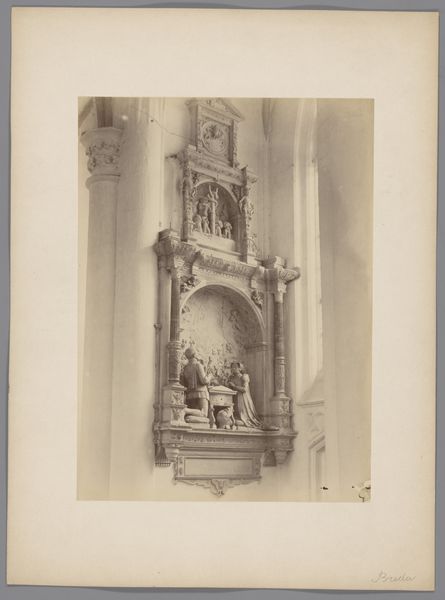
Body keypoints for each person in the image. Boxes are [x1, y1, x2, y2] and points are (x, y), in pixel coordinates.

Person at [228, 362, 263, 429]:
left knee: (243, 415)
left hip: (242, 398)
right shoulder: (231, 378)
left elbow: (244, 389)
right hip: (234, 398)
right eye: (232, 367)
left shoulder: (244, 377)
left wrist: (234, 386)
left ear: (240, 368)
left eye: (235, 367)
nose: (233, 368)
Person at [182, 347, 210, 419]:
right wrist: (210, 376)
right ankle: (185, 410)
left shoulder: (186, 367)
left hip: (190, 394)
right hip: (201, 392)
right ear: (194, 355)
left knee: (195, 415)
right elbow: (204, 381)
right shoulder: (197, 365)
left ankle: (188, 416)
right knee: (204, 414)